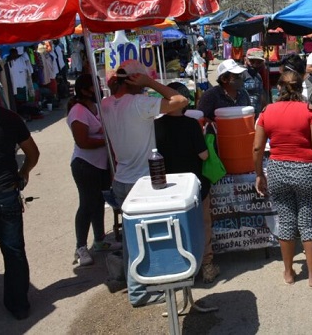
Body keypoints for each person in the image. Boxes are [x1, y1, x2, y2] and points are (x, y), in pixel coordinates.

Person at [101, 59, 188, 307]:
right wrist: (150, 82)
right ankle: (139, 291)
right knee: (140, 239)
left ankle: (138, 285)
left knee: (131, 238)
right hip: (139, 183)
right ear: (135, 80)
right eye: (142, 80)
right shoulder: (139, 103)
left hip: (121, 178)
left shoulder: (107, 103)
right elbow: (181, 100)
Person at [253, 69, 312, 288]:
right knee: (307, 221)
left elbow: (257, 147)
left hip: (278, 169)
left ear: (278, 87)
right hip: (307, 170)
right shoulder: (310, 111)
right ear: (301, 88)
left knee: (286, 220)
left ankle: (289, 273)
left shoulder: (267, 111)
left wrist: (259, 174)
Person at [154, 82, 219, 283]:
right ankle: (207, 266)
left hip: (167, 187)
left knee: (175, 228)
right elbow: (203, 155)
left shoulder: (155, 125)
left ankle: (178, 268)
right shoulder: (191, 125)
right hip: (193, 186)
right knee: (203, 224)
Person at [67, 75, 120, 267]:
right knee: (87, 204)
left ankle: (99, 240)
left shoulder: (97, 107)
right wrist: (106, 141)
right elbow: (83, 141)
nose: (97, 89)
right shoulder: (78, 111)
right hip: (84, 165)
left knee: (99, 202)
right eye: (94, 87)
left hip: (101, 165)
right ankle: (80, 247)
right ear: (84, 90)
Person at [0, 105, 40, 320]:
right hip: (6, 193)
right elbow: (33, 152)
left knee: (14, 252)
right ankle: (19, 304)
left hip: (6, 193)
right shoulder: (9, 117)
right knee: (14, 252)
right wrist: (23, 173)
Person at [280, 53, 312, 142]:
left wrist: (297, 127)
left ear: (293, 71)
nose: (283, 76)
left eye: (284, 73)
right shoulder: (287, 85)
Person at [243, 48, 267, 115]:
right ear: (245, 59)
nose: (255, 65)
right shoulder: (240, 75)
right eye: (252, 61)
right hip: (243, 114)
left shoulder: (258, 76)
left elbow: (261, 94)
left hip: (256, 114)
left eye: (259, 62)